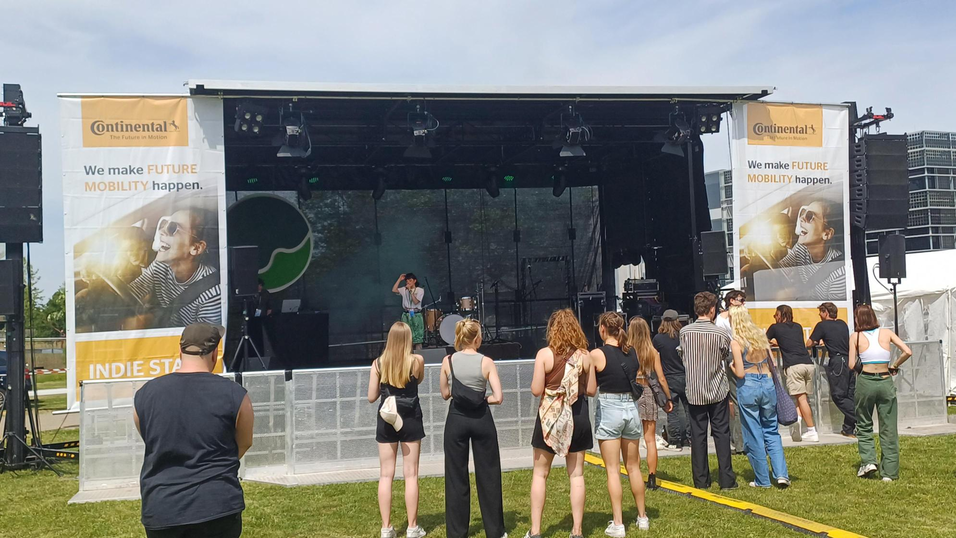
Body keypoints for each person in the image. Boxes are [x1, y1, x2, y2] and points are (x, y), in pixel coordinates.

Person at [133, 323, 254, 538]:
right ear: (216, 353)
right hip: (217, 505)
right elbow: (243, 443)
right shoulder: (236, 395)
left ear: (179, 351)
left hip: (162, 508)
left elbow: (150, 439)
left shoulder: (145, 394)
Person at [525, 308, 596, 538]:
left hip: (550, 418)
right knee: (576, 476)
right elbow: (592, 390)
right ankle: (577, 531)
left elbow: (537, 390)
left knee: (540, 474)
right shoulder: (586, 355)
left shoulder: (544, 354)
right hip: (578, 417)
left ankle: (535, 531)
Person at [439, 319, 507, 538]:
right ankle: (495, 530)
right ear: (477, 338)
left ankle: (457, 532)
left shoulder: (448, 361)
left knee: (455, 477)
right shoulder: (486, 362)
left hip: (456, 420)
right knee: (489, 475)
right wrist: (483, 399)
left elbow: (445, 393)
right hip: (481, 420)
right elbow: (498, 397)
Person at [589, 312, 649, 535]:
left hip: (609, 408)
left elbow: (591, 388)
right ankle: (642, 517)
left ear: (603, 329)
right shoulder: (631, 351)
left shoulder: (597, 354)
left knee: (613, 470)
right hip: (631, 409)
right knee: (633, 467)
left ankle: (618, 522)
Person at [368, 322, 427, 538]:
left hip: (387, 418)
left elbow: (371, 396)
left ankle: (386, 527)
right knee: (411, 474)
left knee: (386, 474)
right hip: (410, 417)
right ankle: (412, 527)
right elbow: (418, 380)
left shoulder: (378, 364)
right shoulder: (417, 361)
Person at [728, 306, 791, 489]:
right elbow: (772, 364)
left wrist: (732, 366)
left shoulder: (737, 342)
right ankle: (781, 474)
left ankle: (762, 479)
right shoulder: (761, 336)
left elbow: (739, 373)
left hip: (748, 385)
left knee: (753, 433)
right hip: (767, 382)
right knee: (771, 430)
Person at [679, 292, 737, 490]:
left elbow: (683, 355)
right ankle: (727, 479)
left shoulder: (685, 332)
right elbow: (725, 355)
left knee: (697, 436)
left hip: (695, 390)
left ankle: (701, 480)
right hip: (717, 388)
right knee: (721, 434)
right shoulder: (720, 333)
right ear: (712, 310)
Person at [849, 304, 912, 481]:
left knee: (863, 423)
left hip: (866, 380)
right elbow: (907, 351)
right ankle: (890, 472)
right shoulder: (886, 333)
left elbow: (851, 364)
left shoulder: (856, 336)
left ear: (858, 319)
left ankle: (868, 461)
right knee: (889, 426)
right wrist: (894, 365)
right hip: (885, 380)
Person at [129, 208, 222, 327]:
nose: (162, 231)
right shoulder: (160, 266)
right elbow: (132, 293)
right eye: (164, 225)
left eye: (172, 228)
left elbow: (203, 341)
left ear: (196, 248)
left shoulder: (212, 294)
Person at [628, 316, 673, 492]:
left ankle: (636, 473)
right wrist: (668, 397)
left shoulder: (627, 350)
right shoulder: (652, 352)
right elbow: (661, 378)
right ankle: (652, 476)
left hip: (632, 392)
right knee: (650, 439)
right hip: (648, 392)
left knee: (633, 438)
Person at [766, 305, 818, 442]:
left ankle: (812, 430)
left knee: (801, 399)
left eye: (775, 315)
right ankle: (797, 421)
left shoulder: (775, 328)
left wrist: (772, 342)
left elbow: (762, 341)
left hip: (794, 365)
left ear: (779, 315)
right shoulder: (798, 326)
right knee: (800, 397)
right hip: (808, 364)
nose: (774, 317)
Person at [778, 200, 846, 301]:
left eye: (809, 216)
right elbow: (778, 271)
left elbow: (834, 311)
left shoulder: (839, 273)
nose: (801, 218)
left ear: (827, 234)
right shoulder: (801, 249)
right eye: (803, 213)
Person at [807, 302, 856, 438]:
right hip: (849, 360)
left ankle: (861, 418)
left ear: (826, 312)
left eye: (820, 312)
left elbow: (809, 343)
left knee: (838, 396)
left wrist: (818, 341)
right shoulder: (842, 324)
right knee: (849, 395)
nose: (819, 315)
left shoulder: (822, 325)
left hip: (838, 362)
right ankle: (848, 429)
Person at [654, 309, 690, 451]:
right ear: (677, 321)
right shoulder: (683, 336)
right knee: (689, 410)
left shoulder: (658, 339)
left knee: (672, 409)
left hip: (669, 378)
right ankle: (690, 438)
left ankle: (675, 440)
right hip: (685, 375)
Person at [715, 290, 746, 454]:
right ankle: (740, 442)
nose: (744, 302)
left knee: (738, 400)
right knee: (735, 400)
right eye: (741, 299)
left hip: (739, 356)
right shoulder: (722, 319)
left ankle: (740, 440)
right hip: (732, 357)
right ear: (732, 301)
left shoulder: (739, 315)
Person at [392, 273, 425, 350]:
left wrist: (411, 292)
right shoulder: (404, 289)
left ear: (414, 281)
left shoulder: (420, 290)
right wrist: (399, 279)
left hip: (416, 314)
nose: (408, 282)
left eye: (410, 280)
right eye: (407, 281)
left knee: (417, 335)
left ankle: (418, 354)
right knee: (406, 335)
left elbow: (416, 302)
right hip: (406, 314)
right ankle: (407, 353)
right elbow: (394, 290)